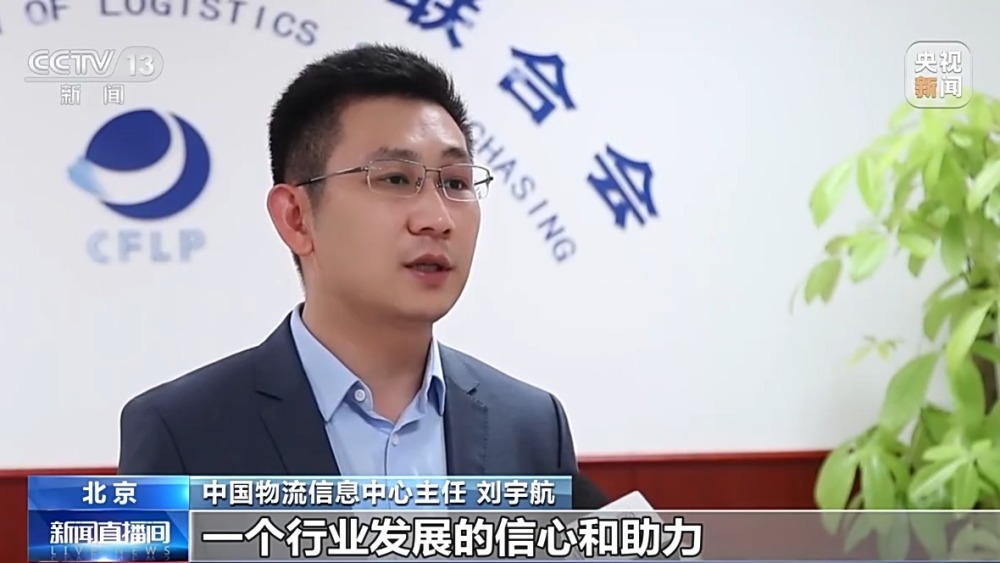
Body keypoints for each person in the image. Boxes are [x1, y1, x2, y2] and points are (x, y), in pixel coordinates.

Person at [117, 44, 579, 477]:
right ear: (297, 218)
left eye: (456, 183)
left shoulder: (533, 427)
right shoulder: (181, 433)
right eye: (396, 179)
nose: (437, 220)